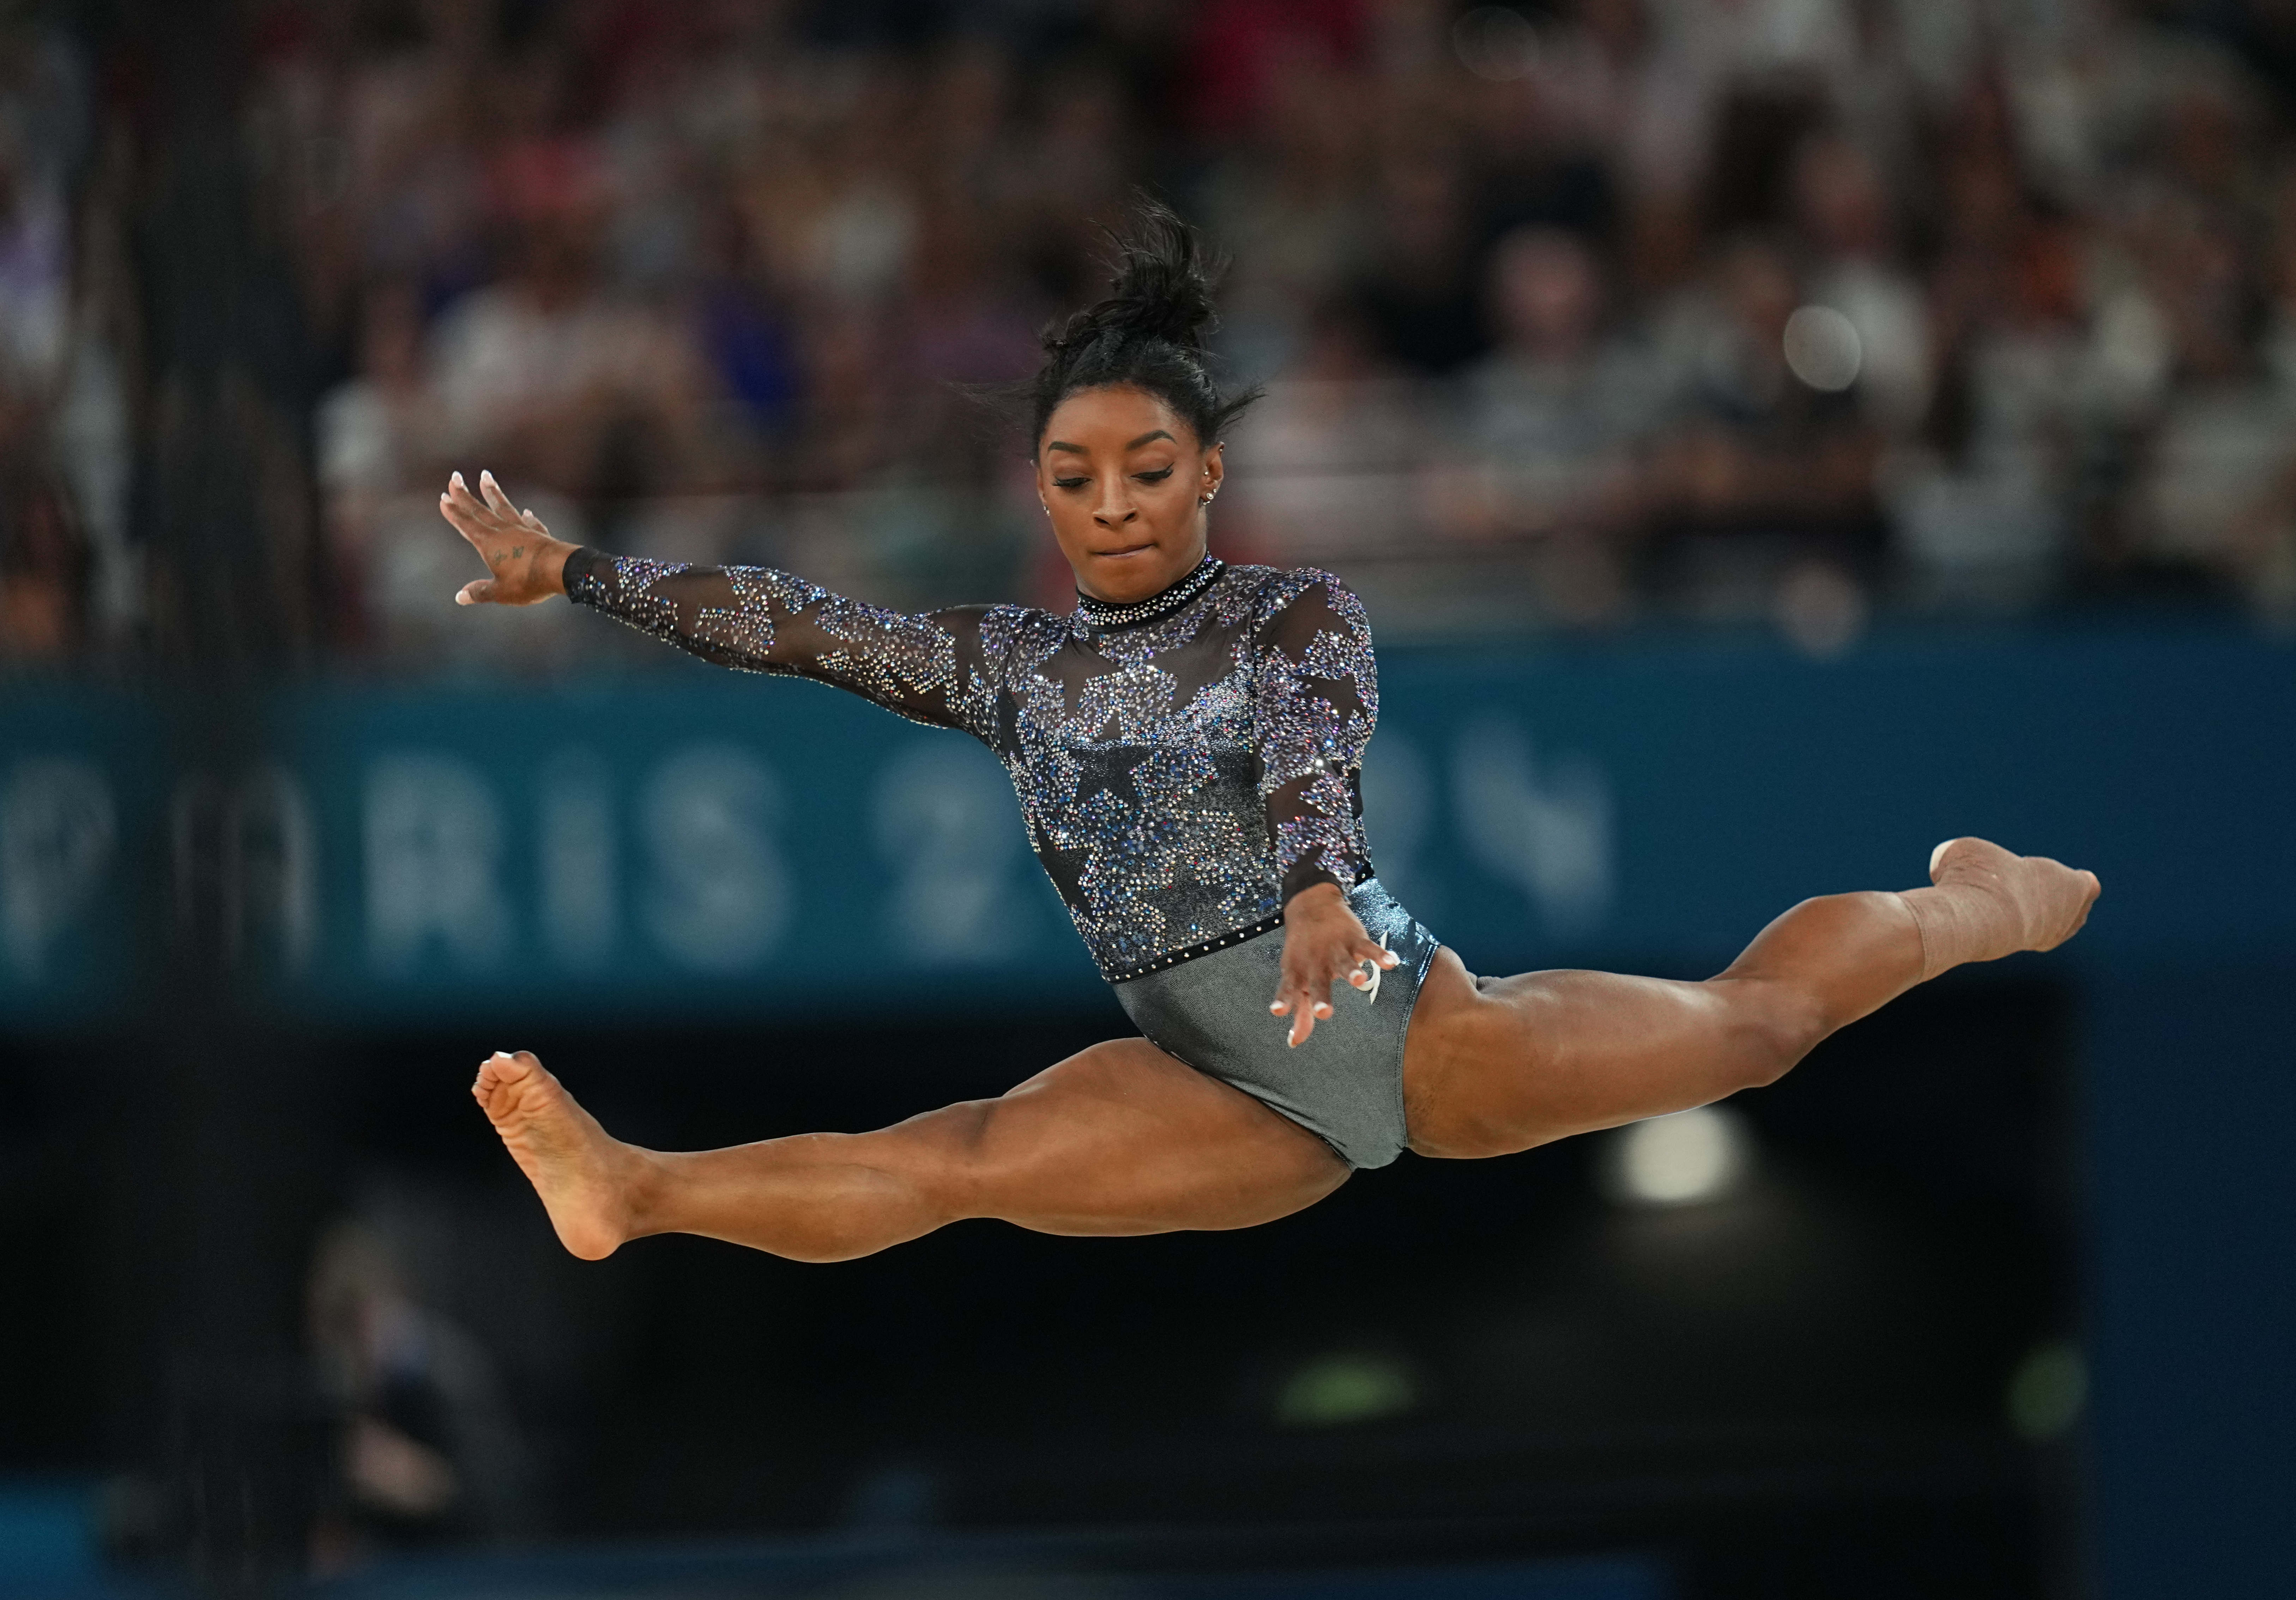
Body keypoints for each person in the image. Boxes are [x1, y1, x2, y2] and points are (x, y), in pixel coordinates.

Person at [439, 204, 2099, 1265]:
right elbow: (793, 619)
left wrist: (1319, 885)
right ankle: (630, 1189)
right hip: (1208, 1070)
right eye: (1077, 479)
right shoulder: (1006, 661)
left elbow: (1314, 744)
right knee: (950, 1162)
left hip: (1387, 1024)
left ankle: (1981, 901)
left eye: (1149, 473)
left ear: (1208, 474)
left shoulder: (1291, 613)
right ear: (1039, 488)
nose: (1115, 508)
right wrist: (572, 567)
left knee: (1752, 1026)